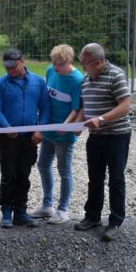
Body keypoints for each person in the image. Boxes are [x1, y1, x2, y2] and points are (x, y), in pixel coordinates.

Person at [74, 43, 132, 241]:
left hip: (117, 136)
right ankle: (92, 216)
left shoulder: (116, 75)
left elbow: (125, 105)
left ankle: (115, 221)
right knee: (95, 178)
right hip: (95, 137)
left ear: (98, 62)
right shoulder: (86, 79)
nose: (82, 67)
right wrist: (78, 126)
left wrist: (102, 119)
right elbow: (84, 106)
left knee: (116, 180)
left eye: (85, 63)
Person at [0, 49, 50, 228]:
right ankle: (6, 211)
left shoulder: (38, 82)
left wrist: (40, 130)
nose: (10, 71)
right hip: (8, 138)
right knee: (8, 174)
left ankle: (21, 211)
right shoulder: (0, 84)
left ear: (22, 61)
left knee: (24, 175)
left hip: (30, 138)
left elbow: (45, 108)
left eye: (13, 67)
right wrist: (6, 127)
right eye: (7, 68)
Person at [31, 44, 84, 225]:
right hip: (48, 130)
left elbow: (76, 108)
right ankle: (47, 205)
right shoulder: (50, 71)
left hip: (64, 134)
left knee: (64, 170)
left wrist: (66, 125)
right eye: (53, 63)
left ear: (68, 61)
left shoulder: (77, 80)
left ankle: (63, 209)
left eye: (59, 64)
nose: (55, 67)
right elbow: (47, 97)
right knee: (43, 165)